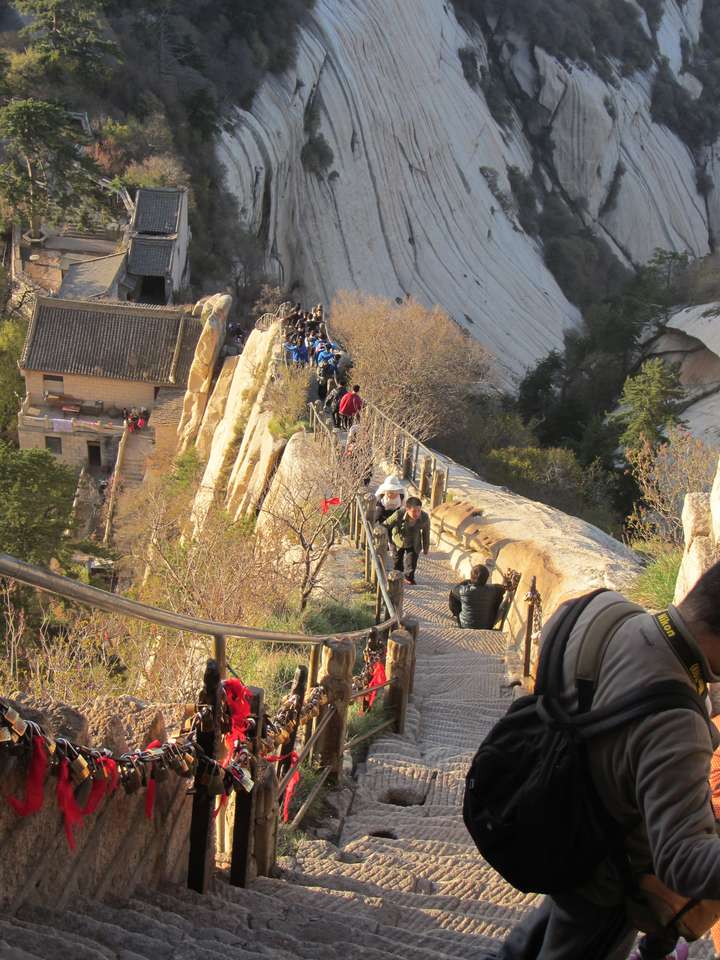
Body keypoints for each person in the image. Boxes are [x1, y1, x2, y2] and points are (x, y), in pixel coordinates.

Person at [496, 560, 720, 960]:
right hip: (606, 876)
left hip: (550, 817)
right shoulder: (677, 723)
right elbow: (682, 863)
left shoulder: (595, 611)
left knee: (530, 940)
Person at [383, 496, 430, 585]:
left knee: (411, 562)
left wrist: (426, 548)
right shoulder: (399, 514)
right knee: (397, 561)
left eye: (418, 511)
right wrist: (385, 539)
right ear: (407, 509)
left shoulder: (424, 517)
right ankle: (397, 578)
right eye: (414, 511)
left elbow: (426, 533)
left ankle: (409, 578)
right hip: (398, 540)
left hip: (414, 541)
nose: (416, 514)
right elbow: (386, 524)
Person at [448, 564, 505, 629]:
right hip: (487, 626)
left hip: (464, 625)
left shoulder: (463, 590)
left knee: (453, 596)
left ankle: (457, 613)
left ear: (471, 577)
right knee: (497, 596)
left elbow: (453, 590)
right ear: (486, 578)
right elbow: (502, 588)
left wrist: (468, 581)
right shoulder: (492, 589)